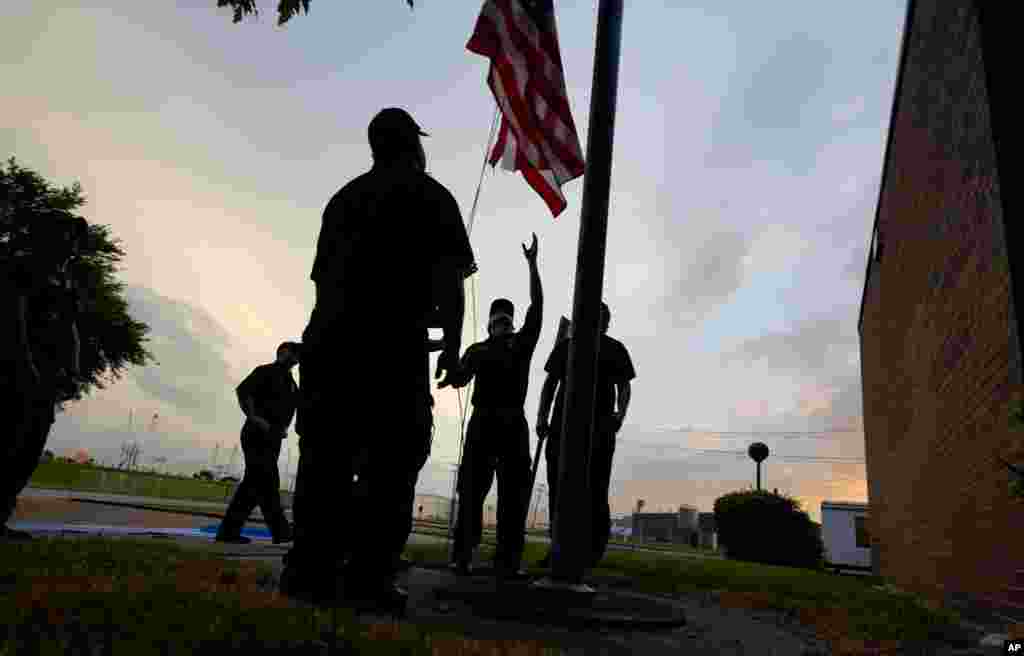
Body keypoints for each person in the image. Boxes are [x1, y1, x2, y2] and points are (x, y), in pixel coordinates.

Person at [281, 107, 476, 612]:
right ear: (414, 144)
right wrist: (451, 349)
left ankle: (308, 570)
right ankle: (368, 578)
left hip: (329, 343)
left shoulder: (343, 199)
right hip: (391, 349)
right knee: (391, 464)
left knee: (324, 458)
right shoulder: (432, 196)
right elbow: (451, 289)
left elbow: (325, 284)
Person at [441, 234, 542, 581]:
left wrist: (532, 265)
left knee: (511, 497)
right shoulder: (480, 349)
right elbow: (459, 377)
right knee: (472, 492)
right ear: (491, 323)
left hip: (509, 424)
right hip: (487, 424)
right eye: (499, 319)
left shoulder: (516, 345)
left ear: (508, 322)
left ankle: (504, 562)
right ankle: (467, 558)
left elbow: (537, 307)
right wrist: (451, 368)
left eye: (505, 319)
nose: (502, 322)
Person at [1, 214, 87, 540]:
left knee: (27, 449)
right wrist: (25, 363)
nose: (73, 244)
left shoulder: (66, 281)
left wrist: (74, 368)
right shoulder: (21, 268)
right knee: (9, 442)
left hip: (47, 378)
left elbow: (70, 328)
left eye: (76, 239)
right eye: (68, 236)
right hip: (15, 371)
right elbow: (14, 318)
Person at [535, 302, 635, 571]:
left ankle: (591, 553)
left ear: (605, 323)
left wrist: (619, 415)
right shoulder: (567, 346)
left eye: (601, 319)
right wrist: (541, 417)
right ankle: (558, 549)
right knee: (558, 488)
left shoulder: (614, 348)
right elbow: (549, 384)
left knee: (595, 490)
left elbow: (624, 386)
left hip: (600, 430)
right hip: (561, 428)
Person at [215, 341, 301, 545]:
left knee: (256, 485)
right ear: (283, 352)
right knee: (266, 480)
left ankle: (229, 532)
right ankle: (280, 532)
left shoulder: (292, 384)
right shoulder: (265, 371)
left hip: (272, 438)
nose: (296, 357)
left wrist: (283, 429)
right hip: (256, 434)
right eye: (294, 352)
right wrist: (254, 417)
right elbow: (243, 392)